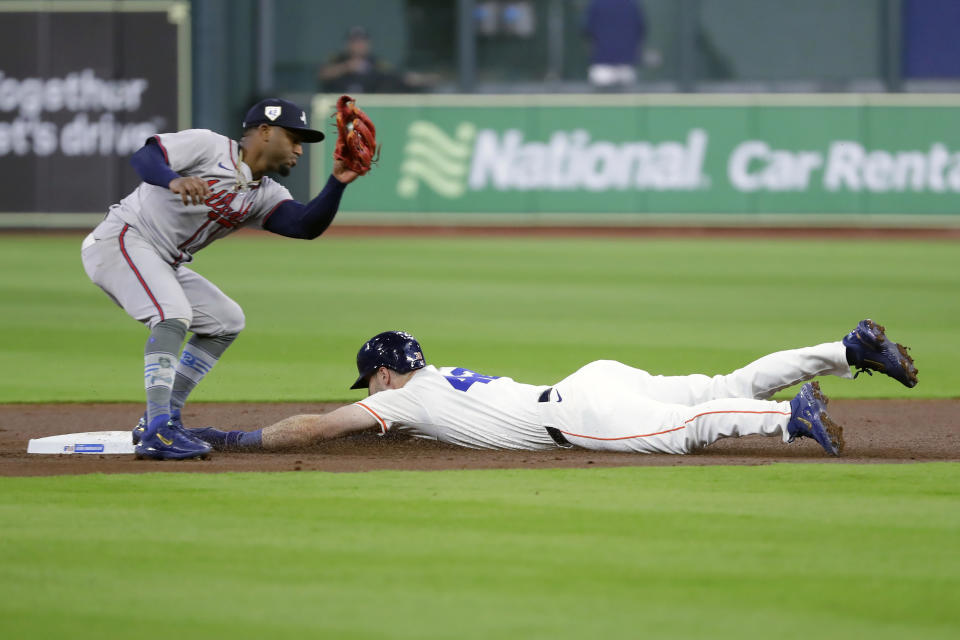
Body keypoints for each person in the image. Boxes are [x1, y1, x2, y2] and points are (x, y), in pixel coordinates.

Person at [81, 97, 363, 460]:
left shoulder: (264, 193)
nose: (299, 150)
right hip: (121, 239)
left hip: (164, 260)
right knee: (171, 314)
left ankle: (165, 417)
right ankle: (157, 429)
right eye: (293, 138)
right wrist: (174, 179)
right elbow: (145, 157)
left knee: (225, 320)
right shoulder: (209, 146)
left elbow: (304, 225)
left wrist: (337, 182)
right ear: (264, 132)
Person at [191, 319, 918, 457]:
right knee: (717, 384)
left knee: (683, 432)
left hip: (580, 411)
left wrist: (236, 438)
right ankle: (840, 349)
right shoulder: (439, 380)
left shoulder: (401, 397)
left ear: (381, 372)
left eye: (369, 380)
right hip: (594, 379)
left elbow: (320, 426)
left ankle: (789, 418)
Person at [318, 26, 411, 93]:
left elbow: (395, 75)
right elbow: (322, 75)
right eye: (355, 42)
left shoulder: (376, 62)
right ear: (348, 44)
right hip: (340, 106)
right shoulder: (337, 59)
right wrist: (347, 66)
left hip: (368, 107)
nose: (359, 45)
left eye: (362, 41)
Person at [583, 0, 646, 90]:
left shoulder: (596, 3)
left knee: (600, 101)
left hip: (603, 63)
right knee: (626, 101)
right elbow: (641, 30)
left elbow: (586, 30)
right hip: (624, 64)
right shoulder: (632, 4)